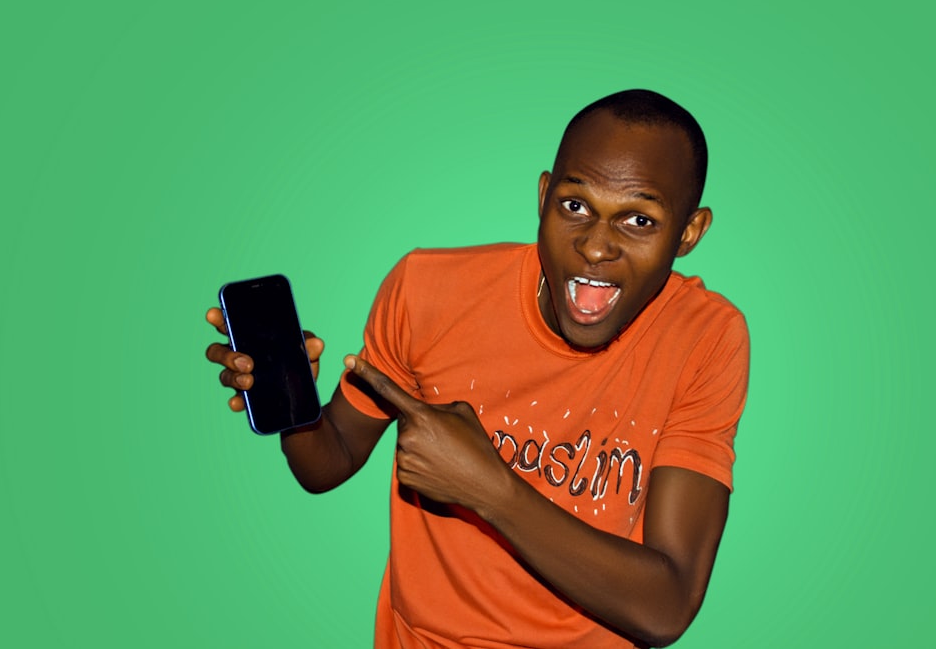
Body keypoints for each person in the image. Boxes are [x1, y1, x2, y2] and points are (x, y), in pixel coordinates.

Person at [206, 89, 749, 648]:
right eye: (575, 206)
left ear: (689, 232)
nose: (595, 245)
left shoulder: (705, 336)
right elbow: (328, 464)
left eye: (638, 219)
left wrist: (489, 489)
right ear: (543, 197)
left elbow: (667, 606)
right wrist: (292, 401)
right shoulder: (428, 293)